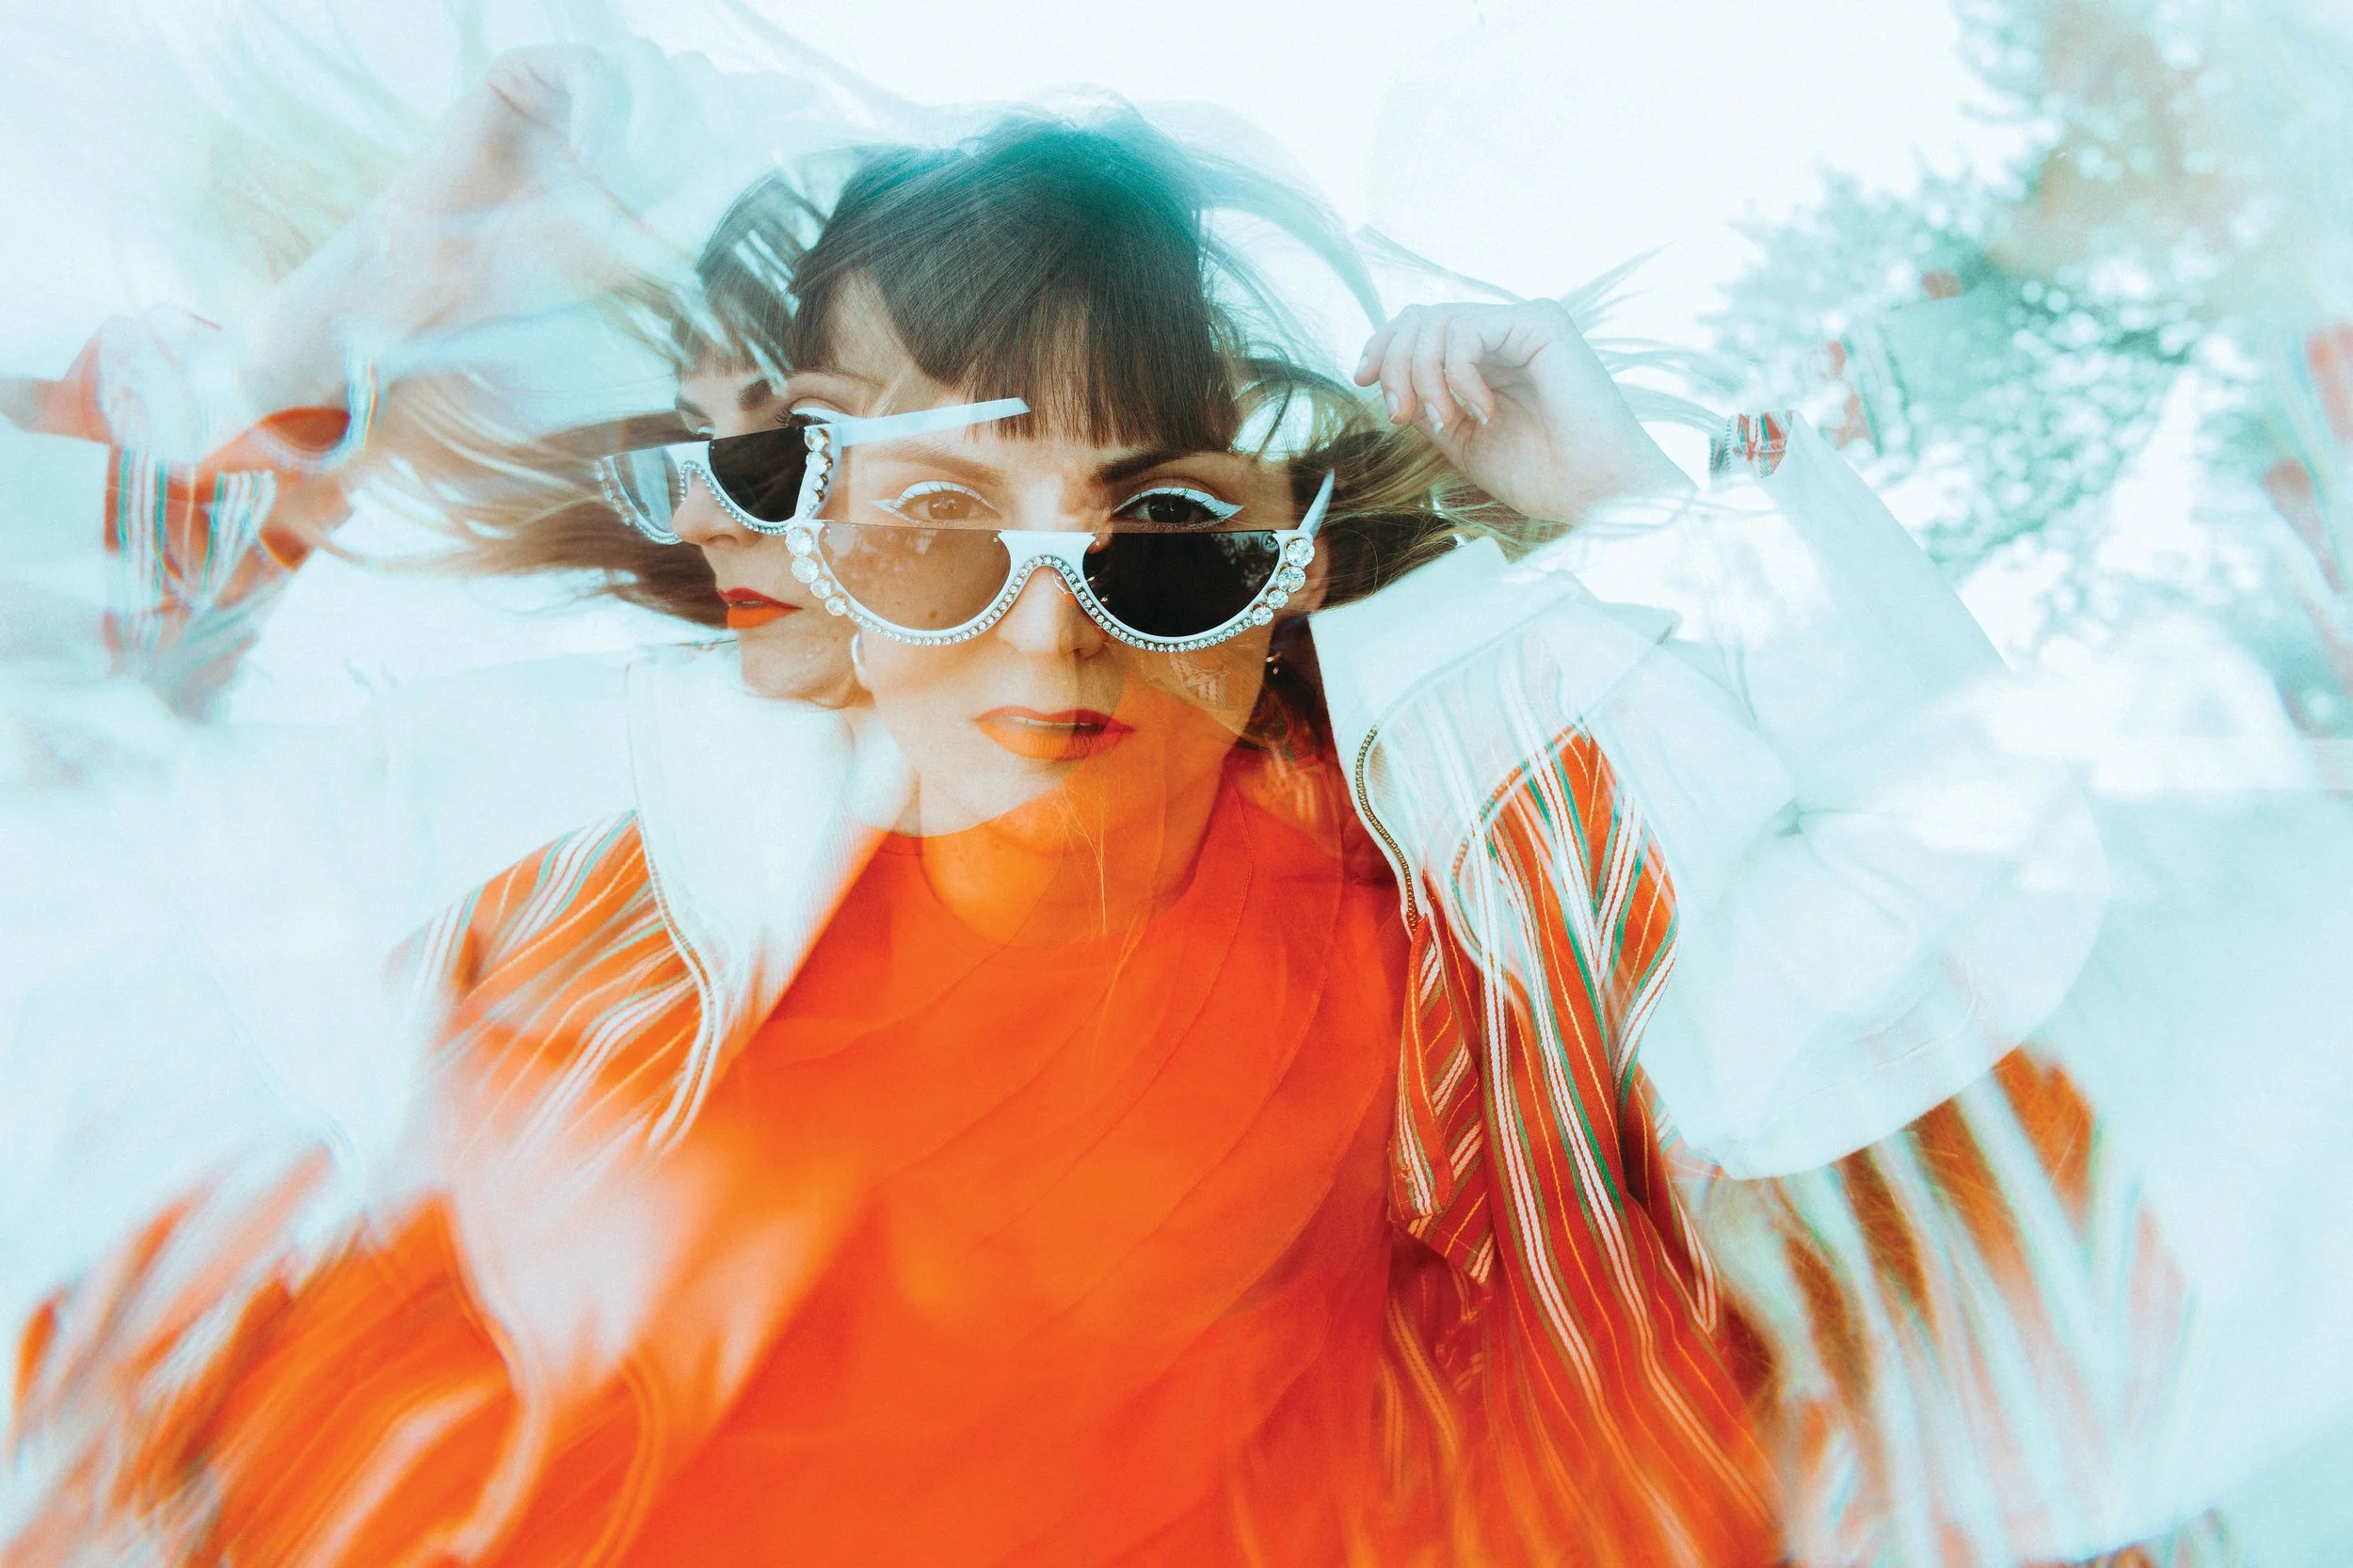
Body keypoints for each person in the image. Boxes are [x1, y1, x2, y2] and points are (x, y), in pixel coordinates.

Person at [0, 37, 2320, 1568]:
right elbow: (68, 718)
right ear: (795, 524)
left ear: (1267, 561)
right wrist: (369, 297)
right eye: (934, 528)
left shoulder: (1463, 852)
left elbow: (1980, 925)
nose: (1052, 635)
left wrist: (1628, 500)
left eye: (1160, 545)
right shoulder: (579, 832)